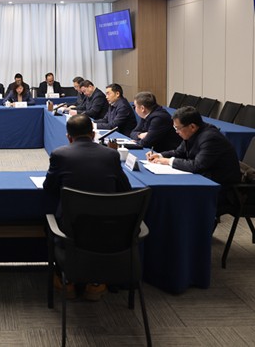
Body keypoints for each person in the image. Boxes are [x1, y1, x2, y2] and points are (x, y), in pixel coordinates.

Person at [43, 114, 132, 301]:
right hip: (109, 228)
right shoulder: (111, 155)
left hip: (70, 228)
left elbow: (49, 187)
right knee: (96, 232)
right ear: (93, 135)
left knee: (49, 222)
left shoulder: (59, 154)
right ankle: (96, 282)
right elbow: (125, 188)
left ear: (68, 137)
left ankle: (66, 280)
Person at [147, 106, 241, 206]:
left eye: (178, 128)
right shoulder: (193, 132)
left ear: (192, 126)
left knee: (173, 197)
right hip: (204, 178)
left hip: (220, 188)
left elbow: (197, 165)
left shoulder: (210, 138)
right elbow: (179, 152)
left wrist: (168, 161)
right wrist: (160, 155)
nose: (176, 132)